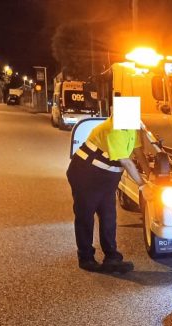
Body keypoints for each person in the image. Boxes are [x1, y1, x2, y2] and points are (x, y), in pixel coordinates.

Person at [66, 98, 149, 272]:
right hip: (86, 174)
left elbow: (138, 152)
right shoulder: (114, 130)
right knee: (85, 216)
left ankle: (112, 257)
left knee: (108, 216)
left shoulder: (131, 128)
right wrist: (143, 185)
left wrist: (150, 173)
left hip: (106, 177)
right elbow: (126, 161)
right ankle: (86, 258)